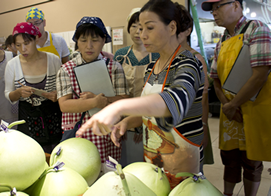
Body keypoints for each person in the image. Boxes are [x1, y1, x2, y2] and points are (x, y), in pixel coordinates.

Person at [76, 0, 204, 189]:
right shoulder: (153, 67)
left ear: (172, 27)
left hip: (183, 159)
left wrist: (118, 106)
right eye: (140, 28)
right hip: (154, 156)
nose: (142, 35)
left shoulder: (187, 63)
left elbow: (174, 102)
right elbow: (149, 111)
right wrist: (126, 122)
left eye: (149, 28)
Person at [201, 0, 271, 195]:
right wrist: (227, 105)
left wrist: (234, 104)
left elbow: (261, 74)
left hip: (252, 108)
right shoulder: (222, 40)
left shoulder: (256, 29)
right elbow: (215, 80)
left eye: (218, 6)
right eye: (212, 9)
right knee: (229, 158)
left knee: (252, 159)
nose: (214, 12)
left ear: (236, 5)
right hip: (230, 111)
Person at [56, 16, 129, 173]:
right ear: (77, 43)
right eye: (83, 40)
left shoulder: (114, 67)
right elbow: (64, 105)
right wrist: (95, 102)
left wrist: (103, 100)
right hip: (78, 136)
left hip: (106, 137)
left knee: (109, 180)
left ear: (104, 41)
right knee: (81, 176)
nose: (89, 46)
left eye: (95, 40)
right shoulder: (66, 69)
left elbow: (124, 100)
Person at [4, 22, 63, 153]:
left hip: (53, 116)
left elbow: (64, 88)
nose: (22, 49)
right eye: (18, 45)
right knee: (32, 153)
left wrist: (57, 94)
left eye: (27, 43)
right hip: (28, 118)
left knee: (56, 152)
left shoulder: (53, 60)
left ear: (36, 39)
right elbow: (8, 95)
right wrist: (18, 93)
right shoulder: (12, 65)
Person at [113, 8, 160, 166]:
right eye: (133, 26)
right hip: (124, 121)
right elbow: (115, 90)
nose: (138, 31)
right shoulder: (120, 55)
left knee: (149, 164)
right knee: (128, 163)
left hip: (151, 120)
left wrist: (141, 124)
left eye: (142, 27)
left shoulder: (158, 55)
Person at [176, 3, 214, 171]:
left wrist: (204, 125)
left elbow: (203, 98)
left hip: (191, 127)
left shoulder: (195, 58)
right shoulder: (160, 58)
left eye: (177, 27)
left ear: (188, 30)